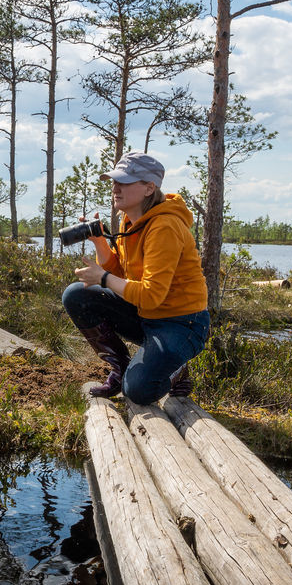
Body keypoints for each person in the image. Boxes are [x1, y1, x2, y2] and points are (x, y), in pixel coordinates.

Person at [61, 151, 210, 403]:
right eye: (114, 182)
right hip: (146, 316)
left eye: (125, 182)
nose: (116, 188)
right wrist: (100, 243)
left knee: (139, 391)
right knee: (76, 295)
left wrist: (103, 278)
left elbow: (150, 295)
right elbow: (123, 276)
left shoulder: (164, 227)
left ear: (149, 188)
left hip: (182, 324)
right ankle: (120, 369)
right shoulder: (129, 222)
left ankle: (177, 370)